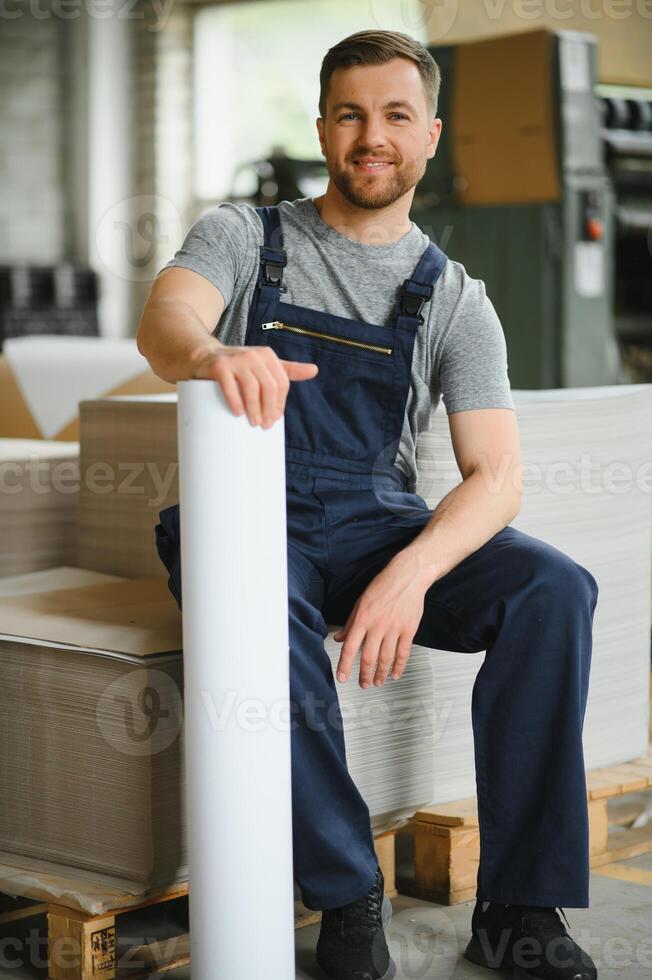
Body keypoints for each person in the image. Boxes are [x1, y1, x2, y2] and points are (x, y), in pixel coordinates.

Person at [137, 30, 599, 980]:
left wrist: (410, 571)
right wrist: (213, 354)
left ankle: (519, 908)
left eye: (396, 116)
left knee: (555, 590)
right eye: (351, 114)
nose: (372, 136)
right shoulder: (244, 236)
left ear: (431, 137)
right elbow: (167, 318)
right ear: (323, 128)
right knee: (259, 615)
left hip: (374, 518)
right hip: (246, 510)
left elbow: (495, 474)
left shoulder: (455, 300)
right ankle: (349, 900)